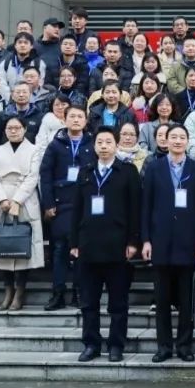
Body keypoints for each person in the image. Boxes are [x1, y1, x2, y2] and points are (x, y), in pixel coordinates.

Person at [73, 127, 142, 363]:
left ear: (116, 145)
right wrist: (74, 242)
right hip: (88, 246)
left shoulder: (128, 172)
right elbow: (76, 208)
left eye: (108, 142)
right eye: (100, 142)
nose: (104, 146)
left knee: (118, 303)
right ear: (94, 146)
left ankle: (116, 345)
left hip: (118, 247)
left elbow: (135, 209)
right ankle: (91, 344)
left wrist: (133, 241)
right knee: (89, 302)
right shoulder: (85, 172)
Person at [141, 124, 195, 362]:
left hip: (188, 243)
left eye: (182, 137)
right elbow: (146, 205)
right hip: (160, 242)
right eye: (173, 137)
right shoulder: (154, 167)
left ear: (187, 141)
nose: (178, 141)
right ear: (165, 141)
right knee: (162, 301)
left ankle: (184, 346)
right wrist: (146, 240)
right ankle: (164, 347)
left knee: (187, 301)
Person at [0, 115, 44, 312]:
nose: (13, 131)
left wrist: (17, 200)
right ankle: (8, 289)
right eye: (10, 128)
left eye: (17, 127)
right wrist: (2, 199)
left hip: (24, 200)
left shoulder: (34, 150)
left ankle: (20, 291)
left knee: (22, 244)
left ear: (24, 129)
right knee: (2, 245)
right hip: (1, 200)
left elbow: (33, 176)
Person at [39, 107, 97, 310]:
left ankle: (78, 292)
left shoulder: (92, 143)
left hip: (85, 205)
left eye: (80, 116)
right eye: (72, 116)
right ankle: (58, 293)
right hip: (61, 204)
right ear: (64, 119)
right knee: (60, 250)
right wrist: (48, 203)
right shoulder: (55, 145)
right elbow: (45, 174)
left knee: (82, 250)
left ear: (86, 121)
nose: (76, 120)